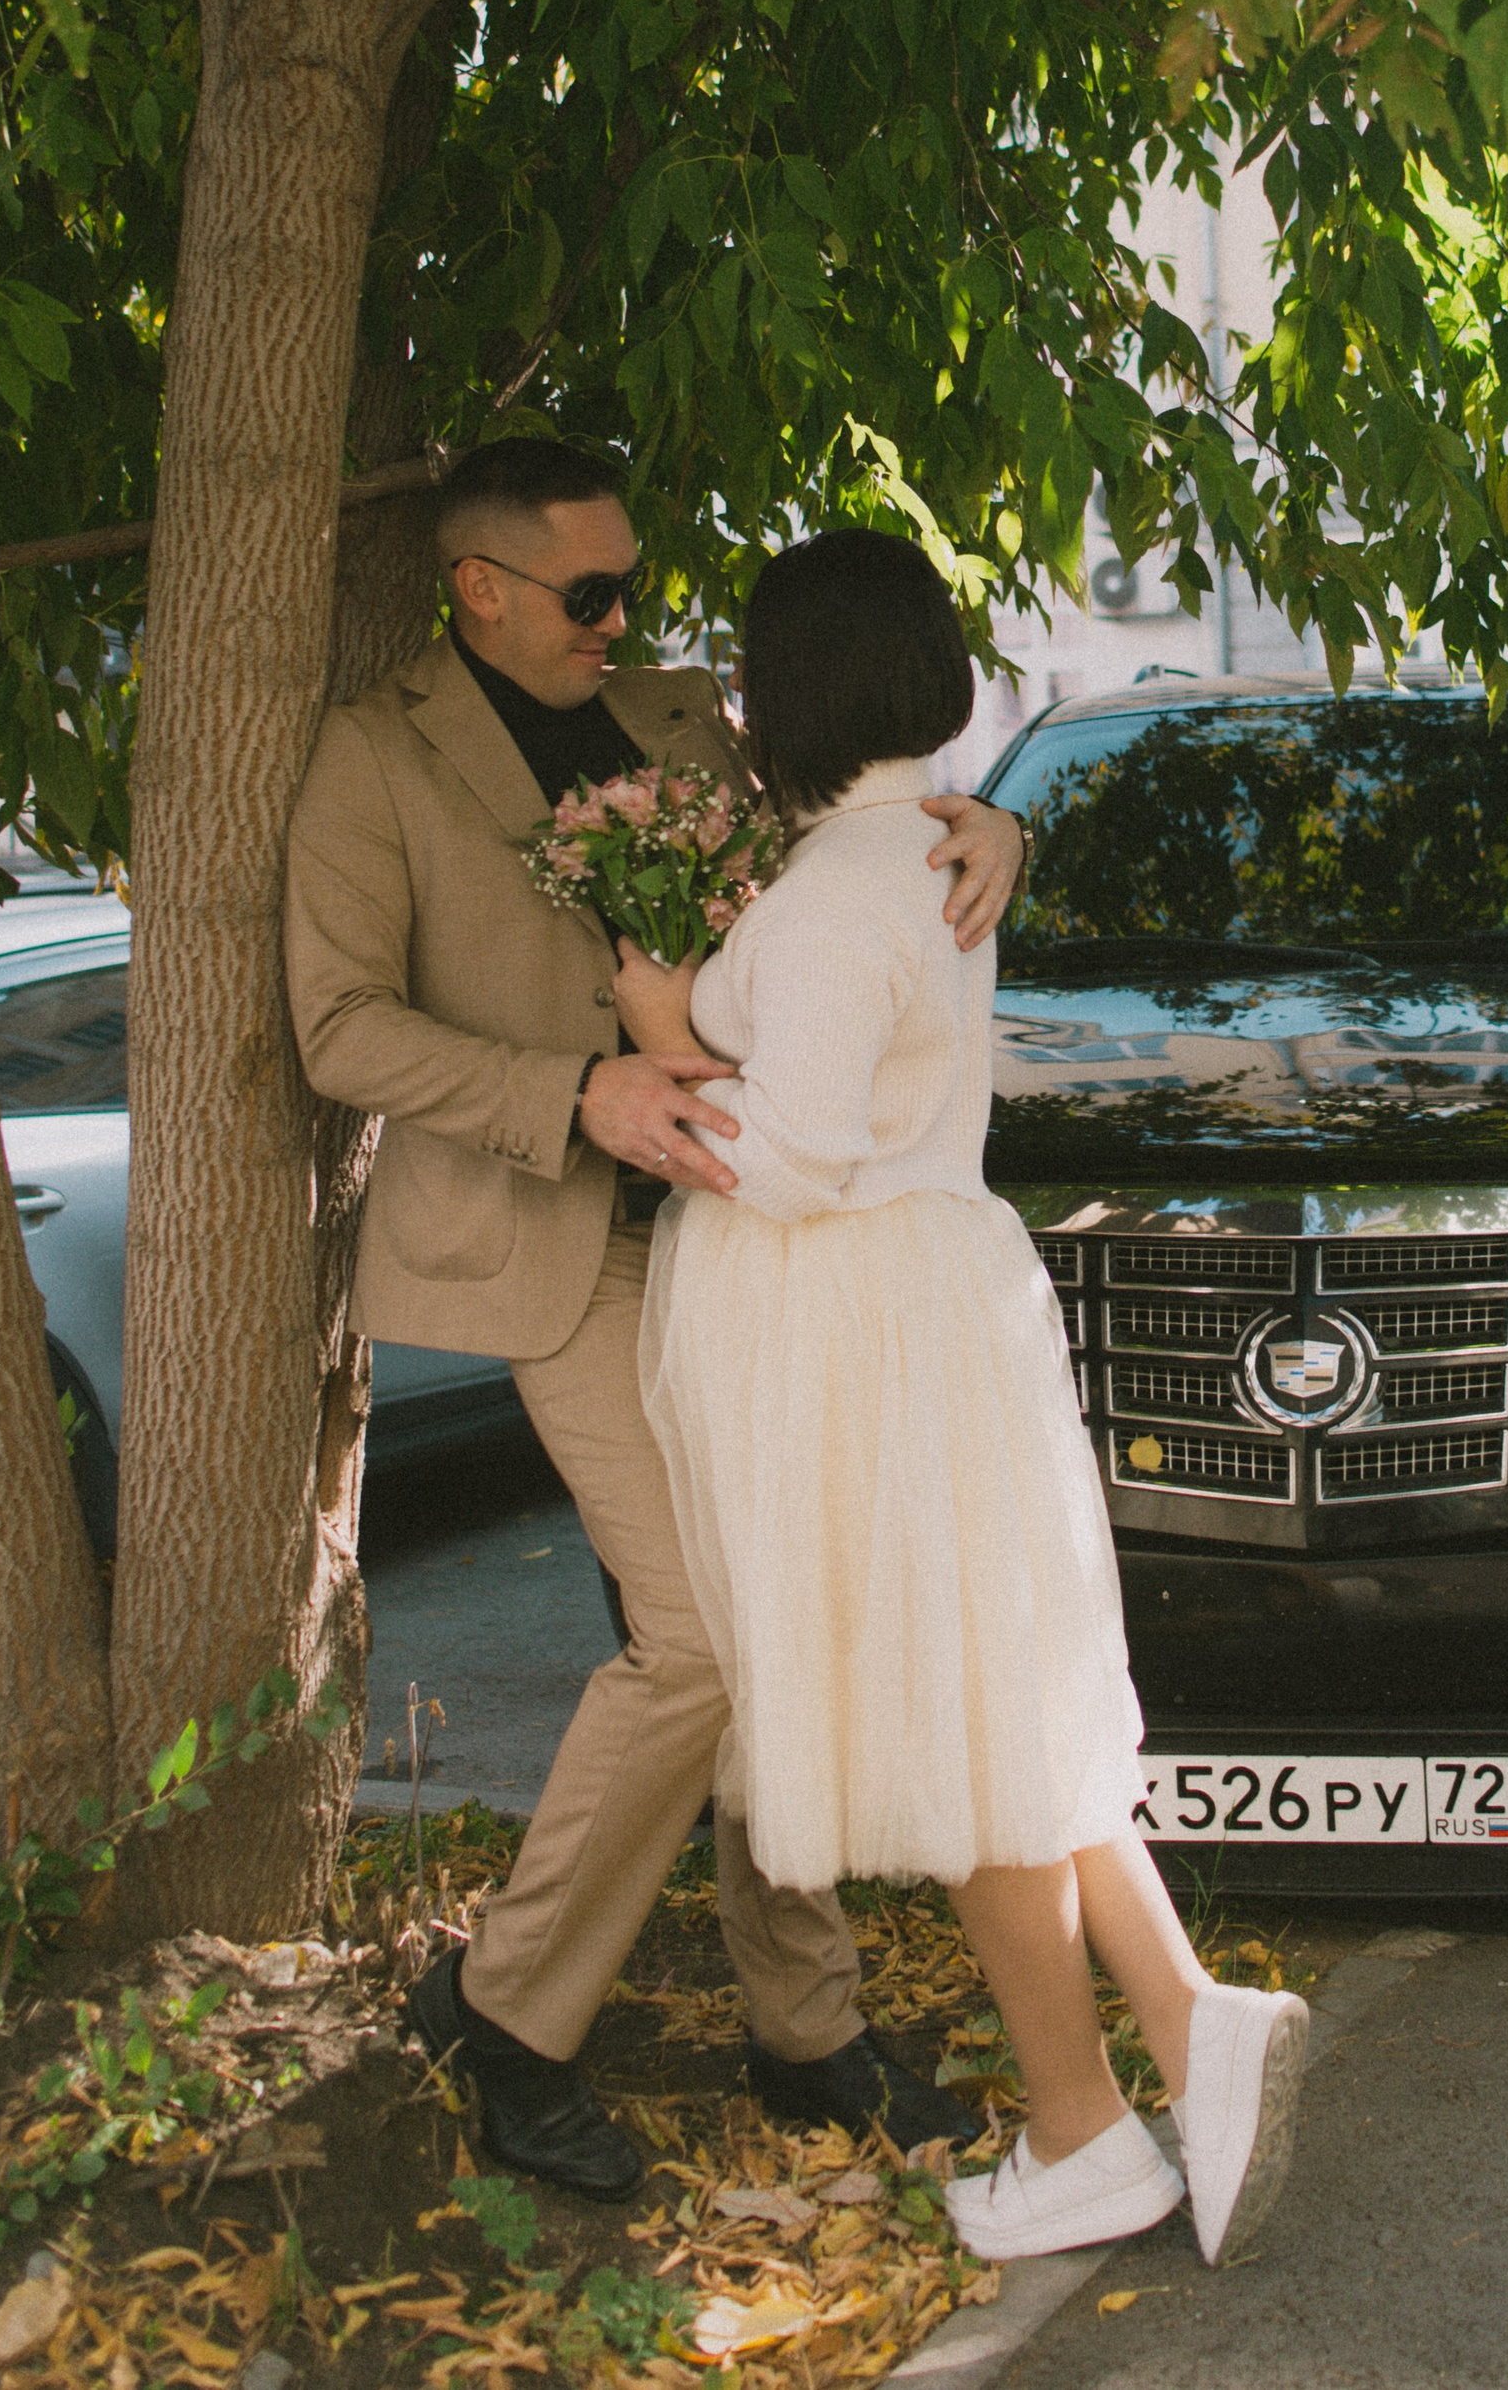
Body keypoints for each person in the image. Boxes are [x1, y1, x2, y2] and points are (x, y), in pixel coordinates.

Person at [285, 440, 1026, 2200]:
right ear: (476, 586)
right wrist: (576, 1090)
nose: (626, 622)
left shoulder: (690, 717)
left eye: (636, 587)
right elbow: (340, 1025)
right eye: (589, 593)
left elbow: (858, 868)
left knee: (770, 1610)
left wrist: (995, 816)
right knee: (700, 1634)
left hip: (748, 1241)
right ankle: (501, 2013)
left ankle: (806, 2029)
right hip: (561, 1236)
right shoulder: (374, 757)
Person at [628, 528, 1309, 2270]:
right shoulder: (919, 849)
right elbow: (781, 1014)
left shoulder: (851, 890)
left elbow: (786, 1158)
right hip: (936, 1309)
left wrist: (662, 1070)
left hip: (867, 1332)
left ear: (788, 692)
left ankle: (1088, 2122)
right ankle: (1176, 2027)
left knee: (958, 1726)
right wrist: (682, 997)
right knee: (1005, 1709)